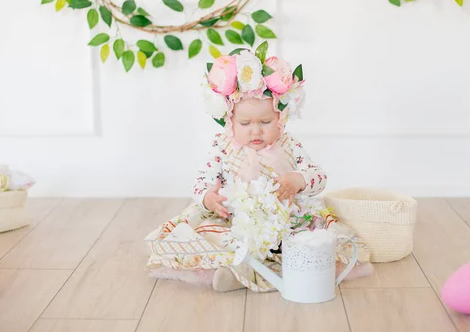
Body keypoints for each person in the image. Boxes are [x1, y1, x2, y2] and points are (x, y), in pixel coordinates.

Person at [144, 42, 371, 292]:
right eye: (245, 123)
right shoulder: (222, 147)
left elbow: (319, 177)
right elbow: (200, 183)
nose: (256, 130)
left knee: (306, 243)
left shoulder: (288, 144)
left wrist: (299, 180)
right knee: (213, 236)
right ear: (230, 121)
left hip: (286, 221)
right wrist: (209, 199)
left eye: (265, 121)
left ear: (281, 119)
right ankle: (235, 271)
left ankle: (271, 270)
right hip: (235, 221)